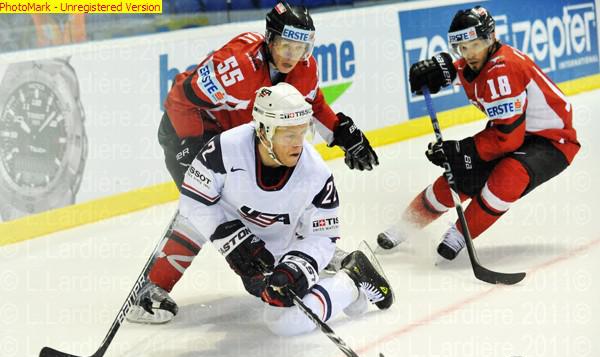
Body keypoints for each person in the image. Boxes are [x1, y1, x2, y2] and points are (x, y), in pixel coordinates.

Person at [133, 1, 377, 321]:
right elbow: (180, 98)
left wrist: (342, 134)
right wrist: (196, 150)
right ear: (269, 39)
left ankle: (301, 255)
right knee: (204, 207)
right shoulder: (236, 66)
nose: (292, 55)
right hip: (191, 131)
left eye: (300, 46)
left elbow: (312, 104)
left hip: (243, 137)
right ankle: (151, 287)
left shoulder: (305, 67)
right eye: (285, 45)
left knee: (276, 194)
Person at [128, 83, 393, 330]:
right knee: (190, 221)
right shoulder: (224, 149)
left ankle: (347, 283)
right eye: (289, 134)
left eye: (302, 132)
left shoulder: (316, 174)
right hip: (231, 216)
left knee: (277, 311)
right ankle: (154, 285)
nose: (298, 144)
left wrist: (298, 266)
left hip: (279, 237)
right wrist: (229, 238)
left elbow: (323, 235)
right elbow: (192, 200)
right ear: (264, 131)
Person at [377, 6, 580, 260]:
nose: (469, 54)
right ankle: (406, 225)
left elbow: (508, 138)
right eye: (462, 47)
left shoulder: (503, 69)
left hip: (553, 141)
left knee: (509, 175)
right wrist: (444, 72)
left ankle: (460, 234)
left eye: (476, 44)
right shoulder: (482, 62)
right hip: (517, 129)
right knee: (459, 175)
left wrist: (460, 150)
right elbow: (466, 73)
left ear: (491, 38)